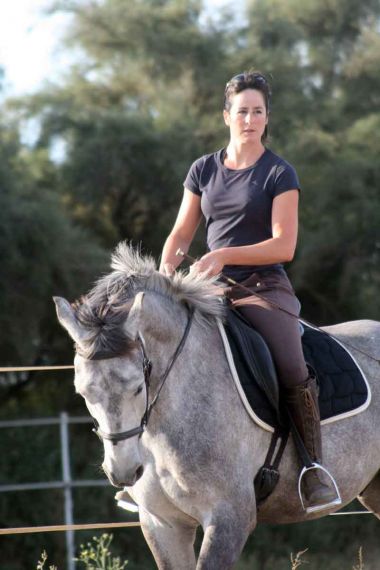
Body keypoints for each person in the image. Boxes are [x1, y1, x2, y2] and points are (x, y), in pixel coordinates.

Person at [159, 70, 340, 512]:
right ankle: (147, 468)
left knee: (290, 361)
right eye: (242, 111)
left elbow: (285, 244)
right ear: (226, 116)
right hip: (208, 286)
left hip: (263, 285)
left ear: (266, 118)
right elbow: (183, 233)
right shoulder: (203, 169)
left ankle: (314, 468)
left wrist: (222, 255)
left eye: (257, 111)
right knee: (158, 345)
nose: (249, 119)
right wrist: (167, 268)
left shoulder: (279, 172)